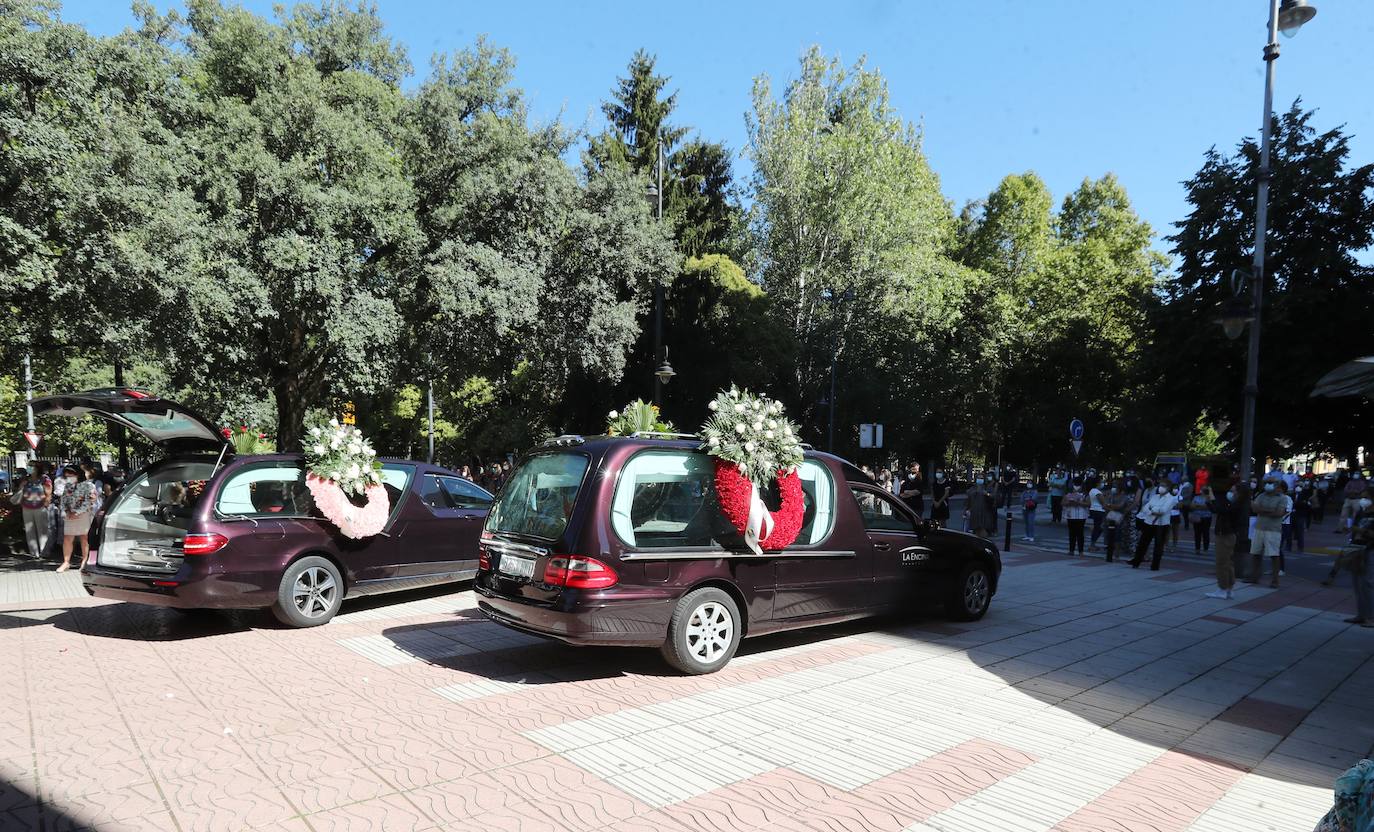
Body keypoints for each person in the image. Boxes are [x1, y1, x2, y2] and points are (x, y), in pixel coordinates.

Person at [1246, 476, 1288, 588]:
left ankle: (1275, 580)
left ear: (1277, 484)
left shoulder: (1282, 498)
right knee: (1255, 553)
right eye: (1266, 482)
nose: (1268, 484)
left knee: (1274, 555)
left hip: (1273, 530)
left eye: (1271, 482)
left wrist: (1262, 510)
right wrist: (1270, 511)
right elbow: (1254, 509)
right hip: (1259, 528)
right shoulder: (1261, 495)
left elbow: (1279, 513)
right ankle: (1254, 577)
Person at [56, 465, 97, 573]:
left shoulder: (88, 486)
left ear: (77, 474)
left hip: (83, 515)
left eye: (71, 475)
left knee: (84, 538)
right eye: (67, 475)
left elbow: (89, 501)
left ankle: (84, 560)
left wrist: (78, 512)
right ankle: (66, 562)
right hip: (70, 515)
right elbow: (63, 500)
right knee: (67, 538)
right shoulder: (68, 486)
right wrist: (65, 511)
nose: (68, 477)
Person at [1205, 483, 1242, 599]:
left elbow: (1221, 509)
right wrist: (1208, 500)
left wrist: (1211, 496)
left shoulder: (1236, 505)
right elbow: (1216, 510)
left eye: (1233, 490)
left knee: (1222, 563)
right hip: (1225, 534)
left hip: (1226, 535)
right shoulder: (1231, 503)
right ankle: (1229, 588)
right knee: (1228, 563)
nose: (1230, 492)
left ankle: (1223, 588)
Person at [1130, 483, 1176, 571]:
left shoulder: (1171, 498)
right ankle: (1136, 562)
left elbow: (1163, 510)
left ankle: (1155, 565)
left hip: (1161, 524)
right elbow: (1145, 508)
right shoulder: (1155, 496)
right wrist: (1153, 510)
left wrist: (1152, 509)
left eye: (1164, 486)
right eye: (1161, 485)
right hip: (1149, 522)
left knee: (1158, 545)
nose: (1161, 488)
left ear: (1168, 488)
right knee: (1142, 543)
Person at [12, 464, 52, 559]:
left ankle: (44, 551)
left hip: (40, 507)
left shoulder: (44, 479)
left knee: (42, 530)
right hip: (27, 507)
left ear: (37, 468)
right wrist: (22, 486)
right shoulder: (25, 479)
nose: (30, 468)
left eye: (32, 467)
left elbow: (49, 492)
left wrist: (46, 504)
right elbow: (20, 491)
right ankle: (34, 552)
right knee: (30, 531)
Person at [964, 473, 997, 539]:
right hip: (974, 513)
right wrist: (966, 510)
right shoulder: (972, 488)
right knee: (976, 531)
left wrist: (987, 494)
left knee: (983, 532)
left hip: (984, 513)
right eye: (978, 478)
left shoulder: (987, 487)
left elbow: (993, 496)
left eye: (981, 478)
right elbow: (968, 500)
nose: (980, 479)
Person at [1102, 482, 1127, 563]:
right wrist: (1111, 507)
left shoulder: (1123, 496)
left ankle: (1117, 554)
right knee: (1109, 535)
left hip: (1118, 518)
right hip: (1110, 518)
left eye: (1116, 487)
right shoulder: (1111, 495)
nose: (1114, 488)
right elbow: (1104, 505)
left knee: (1117, 536)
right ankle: (1110, 553)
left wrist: (1110, 506)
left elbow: (1120, 506)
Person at [1062, 481, 1089, 556]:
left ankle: (1081, 551)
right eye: (1075, 485)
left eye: (1078, 485)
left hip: (1081, 516)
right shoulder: (1068, 494)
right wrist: (1068, 503)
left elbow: (1088, 504)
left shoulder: (1085, 495)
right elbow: (1062, 503)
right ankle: (1071, 550)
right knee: (1072, 534)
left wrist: (1079, 503)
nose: (1076, 487)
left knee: (1080, 534)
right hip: (1070, 515)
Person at [1190, 486, 1212, 553]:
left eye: (1202, 490)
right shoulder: (1196, 497)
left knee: (1206, 533)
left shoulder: (1209, 498)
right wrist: (1200, 506)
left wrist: (1197, 506)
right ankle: (1197, 548)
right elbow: (1192, 506)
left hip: (1206, 517)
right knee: (1197, 533)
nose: (1201, 491)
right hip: (1197, 517)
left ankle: (1205, 548)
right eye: (1201, 490)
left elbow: (1208, 507)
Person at [1087, 478, 1106, 551]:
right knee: (1098, 528)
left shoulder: (1092, 491)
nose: (1103, 483)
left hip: (1093, 510)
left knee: (1097, 528)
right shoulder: (1097, 492)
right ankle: (1092, 544)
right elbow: (1103, 502)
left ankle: (1093, 544)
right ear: (1098, 483)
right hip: (1099, 510)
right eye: (1102, 482)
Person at [1020, 478, 1039, 543]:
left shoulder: (1035, 491)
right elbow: (1021, 499)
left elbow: (1033, 499)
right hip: (1024, 508)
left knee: (1030, 522)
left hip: (1031, 508)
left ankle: (1031, 536)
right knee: (1026, 522)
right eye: (1028, 483)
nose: (1029, 484)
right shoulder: (1024, 491)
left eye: (1030, 483)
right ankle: (1027, 535)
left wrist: (1027, 499)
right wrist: (1028, 499)